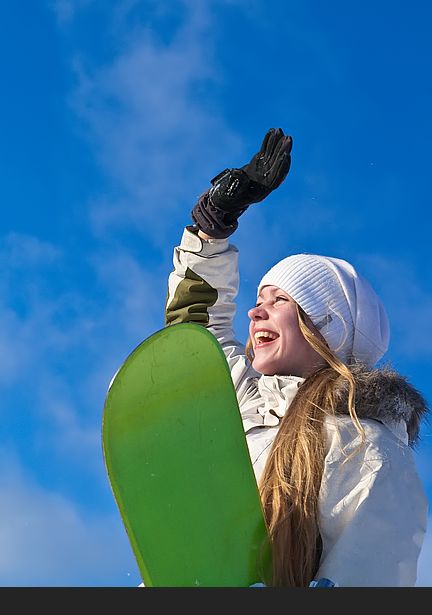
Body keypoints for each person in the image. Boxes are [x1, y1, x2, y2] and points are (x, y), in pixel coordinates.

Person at [164, 129, 427, 586]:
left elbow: (369, 581)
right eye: (259, 297)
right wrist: (214, 223)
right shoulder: (245, 403)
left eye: (280, 299)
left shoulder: (366, 448)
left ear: (325, 325)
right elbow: (193, 330)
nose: (255, 309)